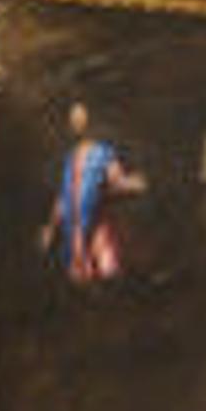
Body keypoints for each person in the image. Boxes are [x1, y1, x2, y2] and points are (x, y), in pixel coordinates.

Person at [39, 100, 145, 286]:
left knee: (105, 274)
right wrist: (50, 227)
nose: (77, 123)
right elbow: (64, 197)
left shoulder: (102, 152)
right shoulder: (71, 158)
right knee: (80, 279)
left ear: (90, 121)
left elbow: (117, 181)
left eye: (81, 117)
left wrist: (133, 183)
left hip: (96, 225)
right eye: (74, 119)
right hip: (74, 231)